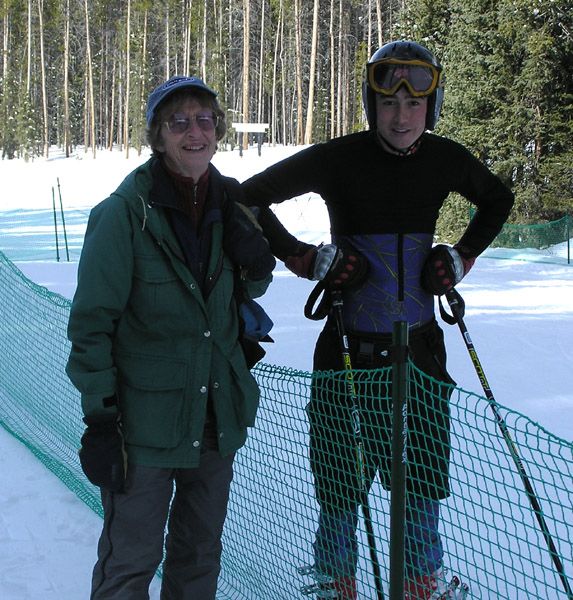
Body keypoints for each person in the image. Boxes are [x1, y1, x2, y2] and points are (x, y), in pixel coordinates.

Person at [242, 40, 514, 599]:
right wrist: (303, 256)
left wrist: (460, 256)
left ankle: (420, 581)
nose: (402, 115)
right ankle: (334, 580)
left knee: (421, 473)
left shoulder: (445, 159)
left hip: (420, 348)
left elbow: (498, 198)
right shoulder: (338, 158)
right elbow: (246, 198)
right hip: (347, 344)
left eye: (416, 103)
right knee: (340, 473)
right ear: (372, 104)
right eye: (389, 102)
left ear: (431, 107)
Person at [66, 75, 275, 599]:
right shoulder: (122, 216)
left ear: (218, 130)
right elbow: (92, 324)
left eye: (204, 120)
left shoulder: (229, 202)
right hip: (143, 429)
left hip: (215, 415)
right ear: (157, 136)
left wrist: (256, 261)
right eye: (177, 122)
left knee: (199, 556)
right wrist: (101, 418)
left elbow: (245, 289)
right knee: (131, 560)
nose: (194, 132)